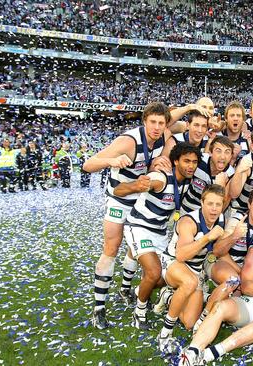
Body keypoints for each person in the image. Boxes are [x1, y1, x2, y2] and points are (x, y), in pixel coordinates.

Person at [82, 102, 174, 329]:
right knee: (111, 248)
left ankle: (125, 289)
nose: (156, 127)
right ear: (144, 122)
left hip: (140, 197)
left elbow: (178, 121)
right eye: (152, 122)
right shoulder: (128, 141)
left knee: (136, 248)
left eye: (161, 123)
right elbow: (88, 164)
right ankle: (99, 308)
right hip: (119, 197)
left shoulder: (164, 136)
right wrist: (111, 161)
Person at [179, 214, 253, 365]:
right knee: (220, 307)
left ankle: (212, 353)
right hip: (250, 302)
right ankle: (192, 352)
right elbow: (246, 287)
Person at [122, 142, 197, 330]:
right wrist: (138, 185)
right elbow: (133, 186)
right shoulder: (161, 178)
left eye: (194, 162)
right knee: (153, 272)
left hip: (161, 233)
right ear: (175, 161)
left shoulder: (186, 184)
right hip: (139, 227)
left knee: (164, 278)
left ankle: (140, 292)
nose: (191, 165)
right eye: (186, 161)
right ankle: (139, 312)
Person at [156, 184, 227, 354]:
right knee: (189, 282)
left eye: (218, 204)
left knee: (189, 322)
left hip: (195, 269)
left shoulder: (221, 219)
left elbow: (218, 250)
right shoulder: (189, 221)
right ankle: (165, 333)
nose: (214, 209)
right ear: (202, 203)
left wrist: (234, 236)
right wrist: (208, 237)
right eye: (210, 204)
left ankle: (167, 297)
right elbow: (181, 255)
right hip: (174, 262)